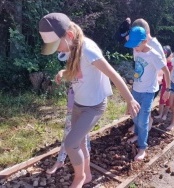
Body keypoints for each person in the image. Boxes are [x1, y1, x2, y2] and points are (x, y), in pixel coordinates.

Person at [39, 13, 140, 188]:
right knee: (81, 142)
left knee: (71, 144)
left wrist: (130, 99)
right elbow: (80, 71)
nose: (58, 50)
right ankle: (87, 175)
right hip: (79, 103)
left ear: (69, 36)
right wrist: (64, 73)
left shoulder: (88, 50)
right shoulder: (71, 46)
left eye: (58, 46)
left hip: (93, 107)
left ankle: (79, 177)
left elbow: (113, 75)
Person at [125, 26, 171, 160]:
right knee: (134, 115)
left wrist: (167, 89)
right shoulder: (136, 51)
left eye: (136, 44)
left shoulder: (154, 55)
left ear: (145, 41)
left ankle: (142, 148)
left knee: (143, 120)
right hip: (136, 89)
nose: (134, 48)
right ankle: (138, 135)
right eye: (133, 45)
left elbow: (166, 71)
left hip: (148, 92)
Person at [128, 18, 167, 132]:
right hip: (141, 80)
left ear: (147, 32)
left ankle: (146, 126)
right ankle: (138, 125)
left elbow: (162, 62)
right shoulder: (138, 42)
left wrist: (159, 77)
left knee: (145, 109)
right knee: (138, 106)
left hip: (153, 83)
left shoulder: (155, 44)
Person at [46, 86, 91, 174]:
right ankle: (61, 160)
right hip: (75, 102)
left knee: (84, 132)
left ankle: (84, 160)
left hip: (88, 104)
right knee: (69, 133)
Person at [154, 45, 173, 120]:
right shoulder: (162, 62)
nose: (165, 59)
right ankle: (160, 113)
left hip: (169, 85)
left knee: (167, 101)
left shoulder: (172, 64)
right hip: (163, 84)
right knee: (161, 100)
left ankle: (165, 114)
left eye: (167, 57)